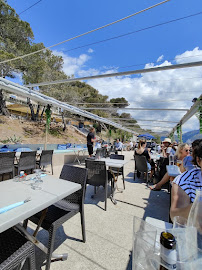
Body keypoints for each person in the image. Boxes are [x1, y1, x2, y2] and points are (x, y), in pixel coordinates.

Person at [170, 140, 202, 221]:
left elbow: (180, 170)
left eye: (189, 150)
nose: (188, 152)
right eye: (186, 150)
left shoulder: (185, 158)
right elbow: (175, 216)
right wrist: (197, 207)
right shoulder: (185, 181)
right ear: (198, 161)